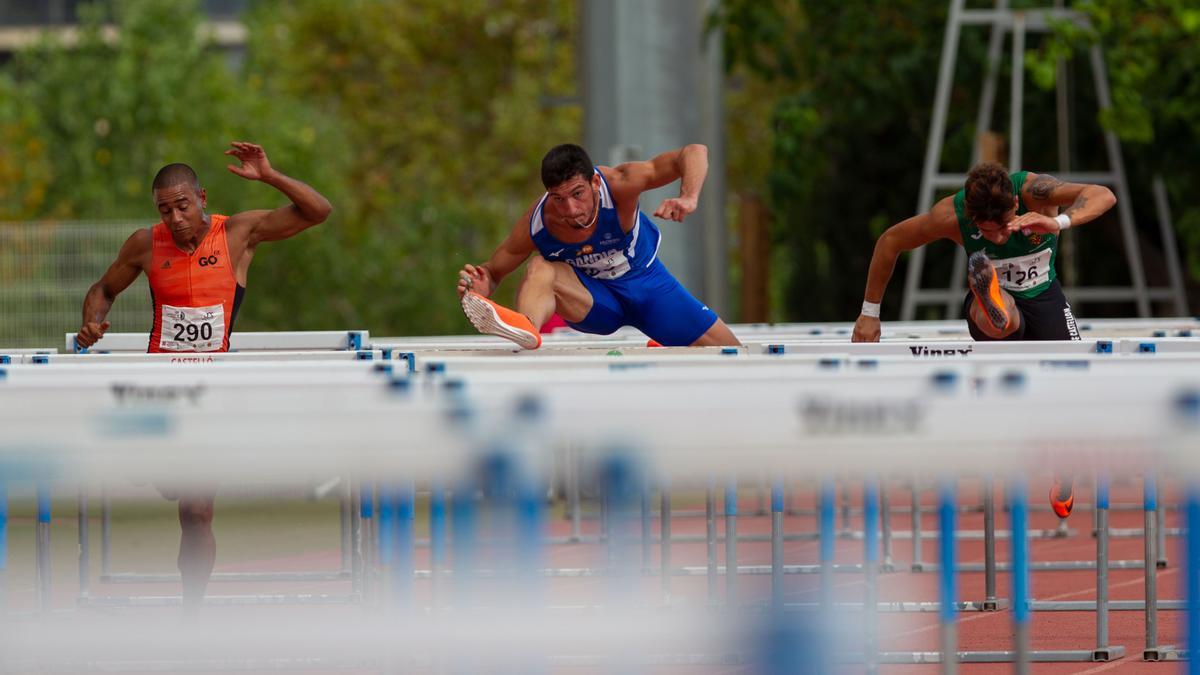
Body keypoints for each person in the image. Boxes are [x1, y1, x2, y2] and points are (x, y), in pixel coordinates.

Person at [75, 141, 332, 609]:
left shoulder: (238, 233)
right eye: (164, 209)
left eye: (182, 206)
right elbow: (103, 288)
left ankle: (192, 611)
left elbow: (318, 211)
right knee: (175, 487)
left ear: (203, 198)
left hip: (211, 395)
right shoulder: (144, 244)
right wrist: (91, 323)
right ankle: (154, 460)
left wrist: (270, 175)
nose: (174, 218)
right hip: (159, 389)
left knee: (196, 513)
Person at [852, 162, 1117, 517]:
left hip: (1044, 296)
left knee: (1076, 386)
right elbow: (891, 241)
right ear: (974, 222)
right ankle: (990, 298)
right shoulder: (951, 215)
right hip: (996, 301)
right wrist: (870, 313)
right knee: (1002, 320)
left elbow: (1103, 195)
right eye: (989, 233)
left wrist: (1058, 222)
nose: (1001, 237)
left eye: (1007, 226)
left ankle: (1064, 466)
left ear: (1015, 207)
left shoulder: (1036, 192)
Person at [456, 143, 739, 349]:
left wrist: (688, 197)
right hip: (596, 304)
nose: (570, 209)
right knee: (541, 266)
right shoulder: (539, 222)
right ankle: (527, 327)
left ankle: (668, 343)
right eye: (558, 198)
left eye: (577, 194)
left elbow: (694, 152)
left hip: (647, 287)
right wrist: (482, 286)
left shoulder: (620, 184)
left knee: (732, 353)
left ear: (594, 182)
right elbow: (494, 271)